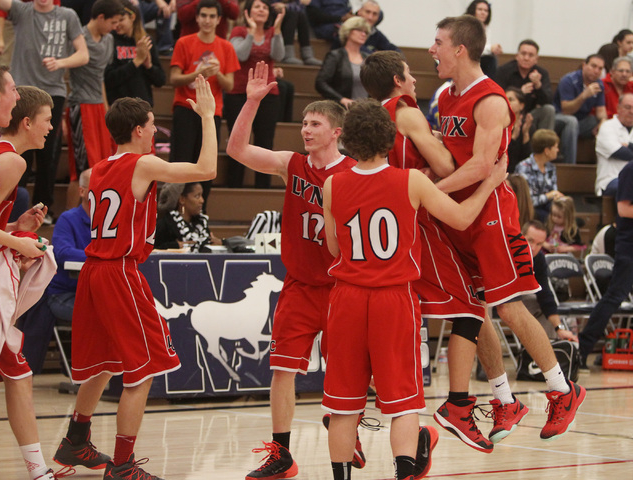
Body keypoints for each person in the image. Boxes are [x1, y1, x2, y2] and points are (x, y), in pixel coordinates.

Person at [322, 99, 506, 480]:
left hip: (347, 299)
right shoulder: (412, 181)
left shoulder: (332, 184)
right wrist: (489, 182)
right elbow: (460, 217)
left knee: (343, 405)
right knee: (402, 403)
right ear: (390, 139)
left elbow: (334, 248)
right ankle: (404, 473)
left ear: (348, 141)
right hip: (394, 299)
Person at [429, 14, 586, 442]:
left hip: (492, 214)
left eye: (438, 42)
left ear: (460, 49)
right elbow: (455, 155)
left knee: (510, 306)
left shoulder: (491, 100)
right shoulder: (446, 97)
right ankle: (503, 400)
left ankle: (562, 390)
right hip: (459, 214)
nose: (432, 50)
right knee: (472, 311)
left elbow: (481, 165)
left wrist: (428, 191)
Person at [52, 75, 217, 480]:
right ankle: (123, 466)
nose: (155, 134)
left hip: (94, 270)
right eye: (151, 125)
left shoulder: (98, 168)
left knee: (103, 364)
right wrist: (209, 117)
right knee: (142, 370)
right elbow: (207, 168)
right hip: (119, 272)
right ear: (138, 129)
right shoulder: (141, 163)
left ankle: (75, 439)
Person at [360, 50, 526, 454]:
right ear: (397, 81)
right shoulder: (407, 111)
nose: (415, 80)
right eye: (408, 74)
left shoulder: (368, 116)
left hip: (375, 225)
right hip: (415, 221)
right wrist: (454, 156)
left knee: (393, 314)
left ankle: (345, 411)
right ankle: (457, 404)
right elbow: (449, 167)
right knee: (471, 307)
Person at [227, 61, 360, 480]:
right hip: (301, 284)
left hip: (342, 286)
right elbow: (237, 151)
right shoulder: (292, 164)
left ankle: (346, 428)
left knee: (351, 369)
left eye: (315, 123)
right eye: (304, 122)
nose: (306, 129)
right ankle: (281, 454)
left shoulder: (354, 173)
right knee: (282, 369)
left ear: (336, 131)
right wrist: (250, 103)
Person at [0, 74, 59, 480]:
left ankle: (39, 470)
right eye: (47, 118)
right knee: (16, 370)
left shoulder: (7, 156)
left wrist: (16, 226)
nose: (52, 126)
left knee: (17, 371)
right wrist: (19, 245)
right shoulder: (10, 159)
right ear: (26, 122)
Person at [0, 0, 89, 224]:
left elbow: (83, 55)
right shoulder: (22, 10)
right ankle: (13, 207)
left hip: (52, 91)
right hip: (25, 88)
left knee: (47, 153)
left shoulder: (67, 15)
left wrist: (61, 62)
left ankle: (39, 207)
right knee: (19, 154)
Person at [169, 0, 239, 205]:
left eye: (212, 16)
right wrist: (197, 73)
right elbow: (173, 78)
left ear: (219, 20)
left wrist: (217, 72)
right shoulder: (184, 42)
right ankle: (173, 211)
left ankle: (201, 213)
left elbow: (230, 85)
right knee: (180, 163)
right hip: (185, 107)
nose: (207, 20)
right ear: (197, 18)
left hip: (212, 112)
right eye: (204, 16)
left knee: (207, 164)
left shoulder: (226, 46)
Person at [223, 0, 284, 188]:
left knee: (264, 143)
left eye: (265, 7)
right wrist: (250, 32)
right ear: (248, 12)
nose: (261, 10)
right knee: (238, 142)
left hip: (268, 94)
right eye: (257, 6)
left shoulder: (273, 31)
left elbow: (279, 55)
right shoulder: (239, 31)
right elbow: (239, 55)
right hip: (239, 93)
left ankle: (262, 190)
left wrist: (278, 29)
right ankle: (234, 186)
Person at [66, 0, 123, 196]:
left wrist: (106, 109)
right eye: (113, 22)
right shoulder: (78, 37)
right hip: (80, 105)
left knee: (103, 167)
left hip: (99, 107)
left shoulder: (108, 40)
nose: (116, 27)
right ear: (100, 18)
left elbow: (100, 79)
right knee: (83, 171)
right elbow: (66, 73)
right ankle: (71, 220)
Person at [579, 159, 633, 368]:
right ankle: (583, 348)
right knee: (614, 297)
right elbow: (623, 209)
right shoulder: (630, 169)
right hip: (629, 247)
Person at [45, 168, 91, 325]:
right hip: (65, 294)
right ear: (82, 191)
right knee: (100, 316)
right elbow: (64, 253)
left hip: (99, 294)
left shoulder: (111, 222)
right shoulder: (67, 219)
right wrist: (100, 255)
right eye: (97, 186)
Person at [521, 220, 580, 341]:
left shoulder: (538, 259)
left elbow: (544, 293)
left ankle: (548, 351)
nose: (533, 248)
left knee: (542, 306)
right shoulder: (506, 251)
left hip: (518, 299)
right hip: (492, 297)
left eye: (539, 244)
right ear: (520, 236)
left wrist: (559, 328)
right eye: (530, 241)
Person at [104, 0, 167, 107]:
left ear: (132, 18)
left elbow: (160, 80)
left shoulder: (146, 40)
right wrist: (136, 62)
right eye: (114, 21)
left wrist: (149, 66)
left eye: (121, 20)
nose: (117, 25)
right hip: (118, 107)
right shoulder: (110, 40)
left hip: (142, 107)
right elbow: (109, 79)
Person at [553, 54, 607, 164]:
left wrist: (603, 122)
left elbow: (601, 111)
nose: (596, 71)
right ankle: (569, 165)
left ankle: (601, 165)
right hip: (560, 119)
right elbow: (566, 110)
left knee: (598, 122)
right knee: (571, 122)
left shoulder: (599, 84)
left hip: (581, 121)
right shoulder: (568, 80)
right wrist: (584, 95)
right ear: (584, 65)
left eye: (600, 68)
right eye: (593, 66)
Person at [494, 39, 556, 133]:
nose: (526, 58)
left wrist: (538, 85)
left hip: (531, 114)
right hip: (509, 113)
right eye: (523, 54)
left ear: (536, 59)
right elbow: (497, 97)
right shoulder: (504, 71)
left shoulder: (541, 73)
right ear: (517, 56)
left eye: (531, 55)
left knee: (549, 110)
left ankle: (544, 144)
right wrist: (520, 93)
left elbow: (548, 101)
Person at [315, 16, 369, 109]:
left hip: (366, 110)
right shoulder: (335, 56)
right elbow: (321, 83)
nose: (363, 34)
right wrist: (341, 99)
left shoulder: (368, 58)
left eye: (366, 32)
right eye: (359, 30)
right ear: (348, 31)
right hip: (341, 109)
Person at [154, 181, 221, 251]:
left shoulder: (201, 223)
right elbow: (152, 251)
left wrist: (218, 243)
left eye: (202, 196)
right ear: (182, 199)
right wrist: (175, 246)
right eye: (197, 196)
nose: (202, 200)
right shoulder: (165, 225)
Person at [515, 129, 564, 221]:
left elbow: (554, 193)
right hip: (530, 209)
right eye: (555, 147)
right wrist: (549, 196)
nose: (558, 150)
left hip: (547, 206)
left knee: (564, 212)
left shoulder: (551, 167)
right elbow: (527, 200)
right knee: (550, 218)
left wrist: (557, 197)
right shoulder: (524, 167)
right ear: (547, 150)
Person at [595, 92, 633, 197]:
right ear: (618, 108)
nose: (631, 111)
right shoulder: (607, 127)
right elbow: (621, 153)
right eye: (627, 107)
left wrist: (628, 146)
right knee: (626, 186)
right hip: (610, 181)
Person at [268, 0, 322, 65]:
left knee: (301, 14)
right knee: (293, 13)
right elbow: (270, 5)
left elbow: (301, 7)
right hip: (270, 16)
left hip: (286, 15)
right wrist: (283, 7)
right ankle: (287, 54)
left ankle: (307, 55)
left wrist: (286, 6)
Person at [464, 0, 501, 77]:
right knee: (491, 61)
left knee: (492, 59)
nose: (483, 13)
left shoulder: (486, 28)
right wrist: (490, 48)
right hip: (465, 59)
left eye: (486, 10)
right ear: (473, 10)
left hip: (479, 60)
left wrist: (494, 49)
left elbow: (483, 48)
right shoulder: (466, 26)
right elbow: (471, 49)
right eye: (480, 9)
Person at [505, 86, 532, 172]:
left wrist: (525, 135)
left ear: (521, 105)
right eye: (505, 99)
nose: (507, 102)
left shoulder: (527, 125)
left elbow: (528, 160)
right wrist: (513, 138)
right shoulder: (500, 125)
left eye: (511, 99)